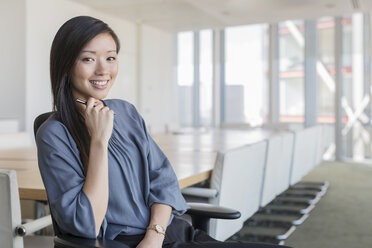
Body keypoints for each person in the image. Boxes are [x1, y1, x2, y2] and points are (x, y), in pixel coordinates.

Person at [36, 16, 291, 248]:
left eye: (111, 58)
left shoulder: (126, 112)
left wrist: (155, 235)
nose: (103, 70)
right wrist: (99, 141)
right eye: (88, 58)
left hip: (169, 233)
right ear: (66, 64)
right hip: (126, 243)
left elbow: (164, 181)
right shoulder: (54, 134)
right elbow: (86, 223)